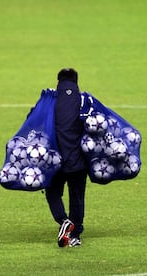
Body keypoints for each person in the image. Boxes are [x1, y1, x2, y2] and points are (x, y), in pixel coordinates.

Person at [45, 68, 88, 248]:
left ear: (58, 82)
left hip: (55, 160)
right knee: (77, 196)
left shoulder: (49, 101)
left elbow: (34, 120)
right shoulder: (85, 100)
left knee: (52, 191)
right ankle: (75, 235)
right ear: (77, 82)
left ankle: (63, 220)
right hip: (78, 160)